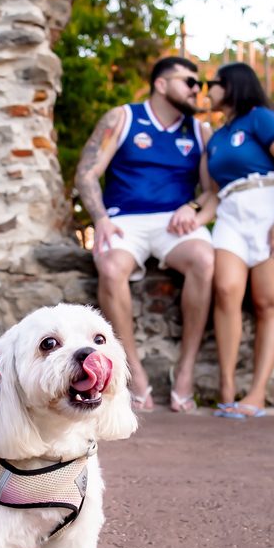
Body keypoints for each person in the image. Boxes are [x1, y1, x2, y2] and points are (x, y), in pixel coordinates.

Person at [74, 56, 217, 412]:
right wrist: (101, 218)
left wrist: (195, 208)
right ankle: (132, 372)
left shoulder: (200, 131)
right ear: (162, 84)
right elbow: (86, 173)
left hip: (174, 221)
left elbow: (213, 191)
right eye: (189, 82)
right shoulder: (122, 117)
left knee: (204, 259)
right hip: (125, 219)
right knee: (110, 269)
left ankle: (185, 371)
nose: (196, 89)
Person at [203, 62, 274, 418]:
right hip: (231, 212)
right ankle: (226, 385)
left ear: (233, 85)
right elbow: (210, 194)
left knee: (267, 302)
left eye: (214, 83)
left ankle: (256, 393)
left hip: (270, 204)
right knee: (225, 289)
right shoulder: (216, 135)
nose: (208, 89)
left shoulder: (261, 117)